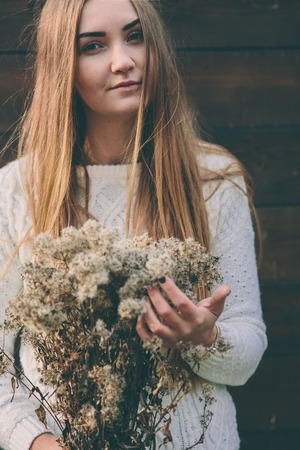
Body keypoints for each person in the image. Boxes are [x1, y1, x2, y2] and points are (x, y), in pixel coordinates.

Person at [0, 0, 267, 449]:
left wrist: (204, 337)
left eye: (136, 36)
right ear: (62, 65)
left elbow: (245, 354)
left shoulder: (214, 181)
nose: (124, 60)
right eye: (93, 46)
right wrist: (39, 442)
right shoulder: (15, 194)